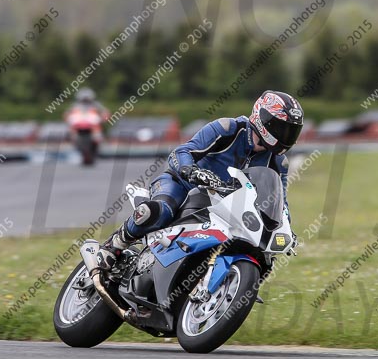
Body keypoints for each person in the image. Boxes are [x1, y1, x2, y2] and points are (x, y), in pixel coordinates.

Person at [96, 90, 304, 277]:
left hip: (224, 208)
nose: (286, 137)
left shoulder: (278, 162)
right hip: (183, 186)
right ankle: (114, 245)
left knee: (264, 252)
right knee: (159, 211)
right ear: (262, 119)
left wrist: (285, 227)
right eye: (282, 128)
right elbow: (181, 152)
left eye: (291, 131)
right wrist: (191, 170)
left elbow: (279, 201)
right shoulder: (228, 129)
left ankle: (231, 284)